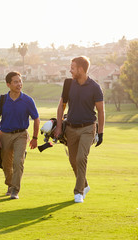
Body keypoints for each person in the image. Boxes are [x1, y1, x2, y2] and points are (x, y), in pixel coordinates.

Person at [54, 56, 105, 203]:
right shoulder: (68, 84)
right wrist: (58, 126)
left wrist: (100, 133)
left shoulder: (95, 87)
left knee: (81, 158)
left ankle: (78, 192)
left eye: (73, 68)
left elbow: (101, 111)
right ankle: (85, 185)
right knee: (73, 160)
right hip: (70, 128)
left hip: (88, 128)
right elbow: (61, 106)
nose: (70, 70)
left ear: (81, 69)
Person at [0, 71, 40, 199]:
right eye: (15, 82)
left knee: (18, 162)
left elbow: (36, 119)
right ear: (8, 84)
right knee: (6, 164)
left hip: (21, 135)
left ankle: (15, 190)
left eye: (20, 81)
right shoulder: (2, 99)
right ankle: (10, 184)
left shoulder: (28, 100)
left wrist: (35, 138)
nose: (19, 84)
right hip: (5, 135)